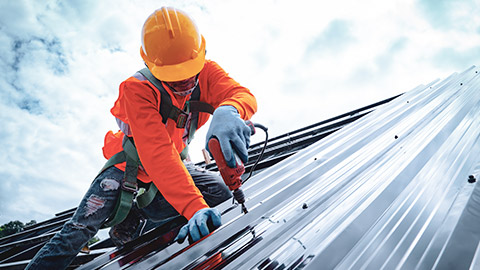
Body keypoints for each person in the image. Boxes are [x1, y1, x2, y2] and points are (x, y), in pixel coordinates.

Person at [26, 6, 257, 269]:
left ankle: (140, 215)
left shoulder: (207, 72)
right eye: (174, 76)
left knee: (219, 193)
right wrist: (194, 207)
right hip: (130, 167)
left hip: (175, 166)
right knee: (80, 228)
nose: (184, 82)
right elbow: (158, 154)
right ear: (150, 64)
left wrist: (230, 110)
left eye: (188, 72)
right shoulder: (138, 89)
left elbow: (242, 94)